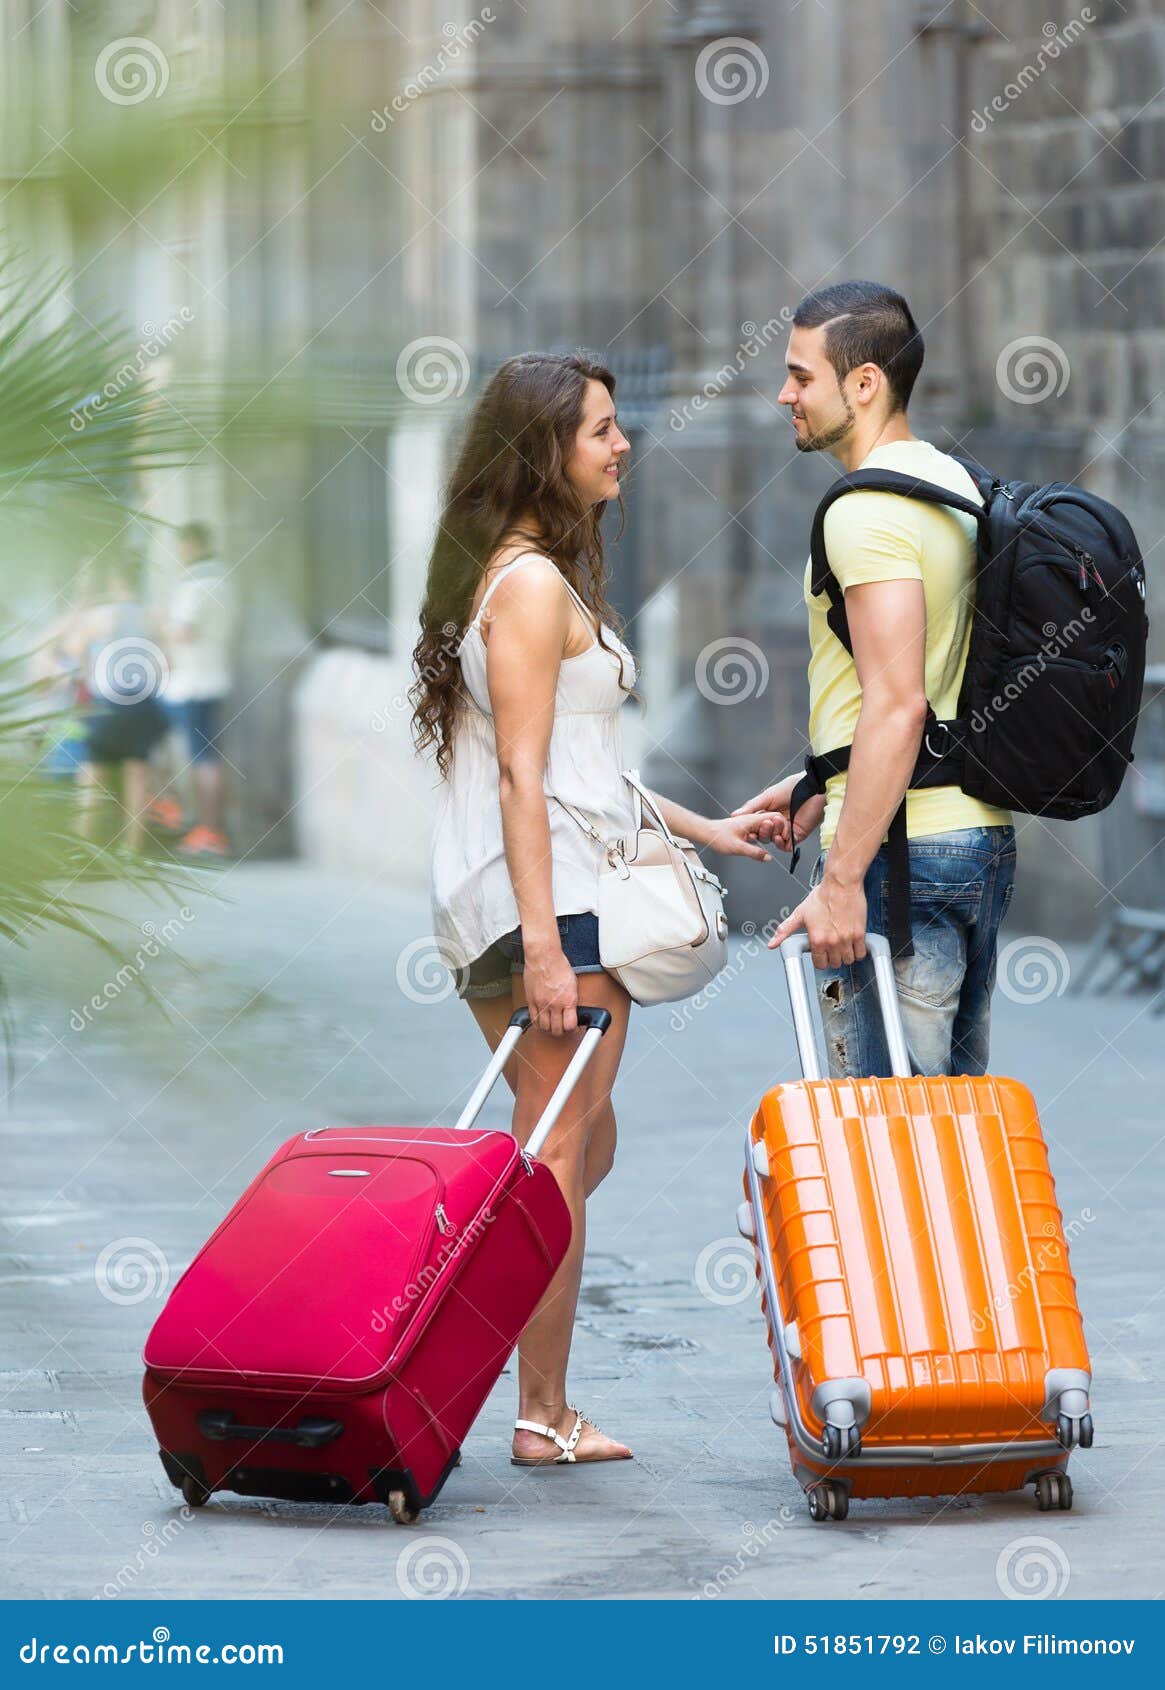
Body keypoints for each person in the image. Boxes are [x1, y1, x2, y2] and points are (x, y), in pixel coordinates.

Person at [412, 352, 777, 1468]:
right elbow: (526, 778)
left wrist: (709, 831)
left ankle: (466, 1315)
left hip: (542, 887)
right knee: (560, 1146)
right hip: (545, 905)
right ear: (543, 452)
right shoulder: (526, 587)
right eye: (602, 431)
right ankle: (539, 1410)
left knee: (572, 1141)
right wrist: (543, 948)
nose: (623, 445)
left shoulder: (529, 574)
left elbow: (577, 770)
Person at [737, 281, 1015, 1078]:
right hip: (972, 836)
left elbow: (899, 704)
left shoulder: (863, 510)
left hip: (905, 857)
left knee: (881, 1139)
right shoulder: (956, 484)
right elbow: (934, 679)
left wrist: (842, 880)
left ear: (864, 383)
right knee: (948, 1127)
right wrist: (821, 779)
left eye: (801, 376)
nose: (784, 395)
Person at [60, 555, 169, 852]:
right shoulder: (152, 616)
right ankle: (131, 851)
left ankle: (82, 850)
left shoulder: (100, 616)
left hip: (105, 703)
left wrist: (89, 670)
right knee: (137, 777)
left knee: (93, 775)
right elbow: (168, 661)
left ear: (114, 582)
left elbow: (72, 650)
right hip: (141, 703)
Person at [159, 521, 239, 857]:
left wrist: (159, 624)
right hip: (213, 678)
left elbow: (183, 632)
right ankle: (206, 828)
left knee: (201, 759)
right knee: (207, 756)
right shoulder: (225, 580)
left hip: (191, 685)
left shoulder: (195, 585)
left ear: (190, 545)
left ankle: (204, 829)